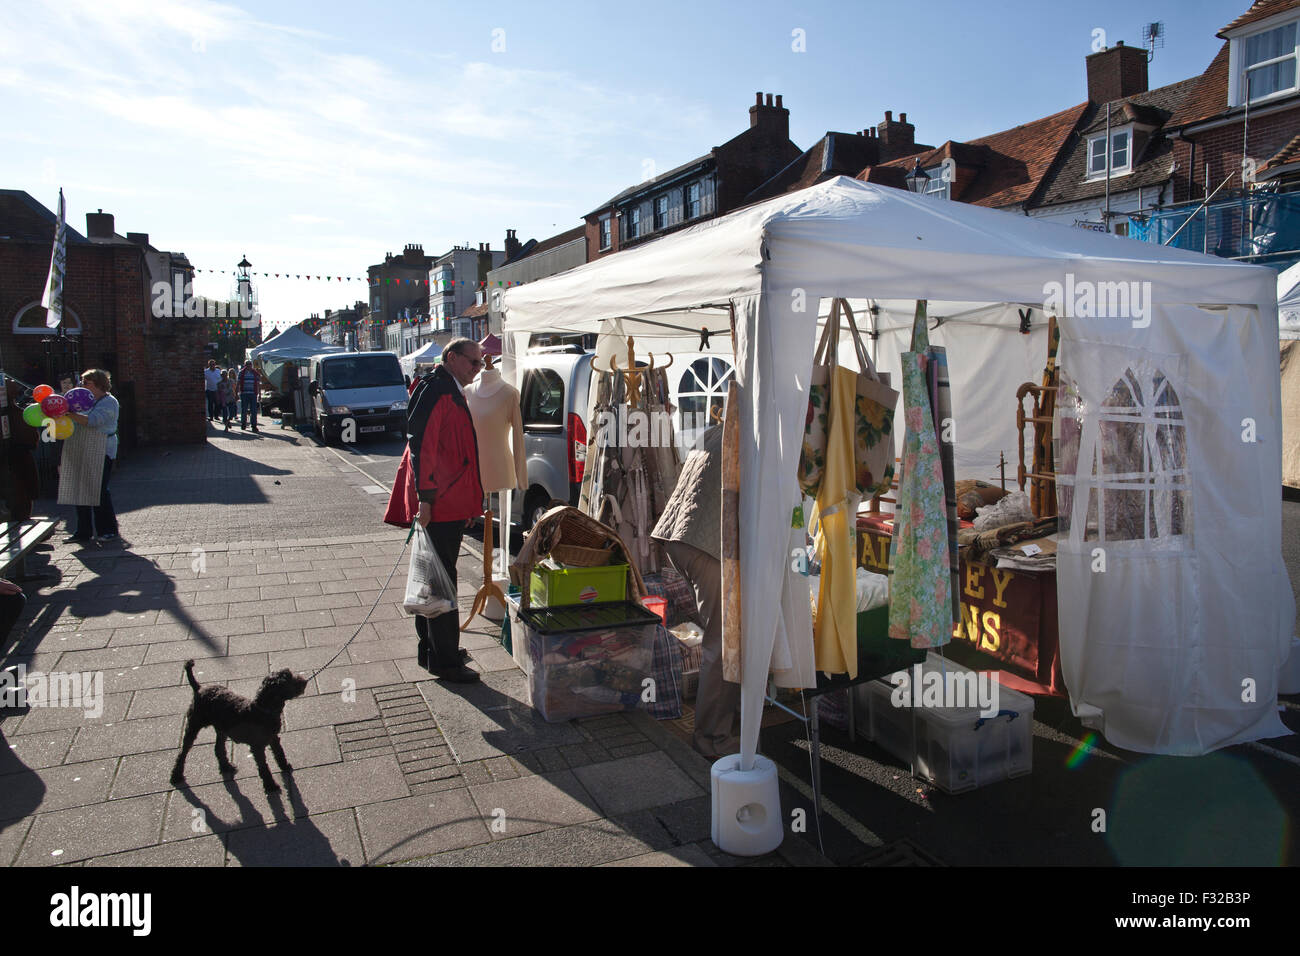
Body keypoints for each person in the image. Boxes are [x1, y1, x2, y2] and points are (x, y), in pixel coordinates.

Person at [650, 423, 740, 758]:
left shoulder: (719, 427)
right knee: (725, 641)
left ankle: (724, 718)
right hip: (706, 545)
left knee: (722, 636)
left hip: (680, 538)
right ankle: (711, 739)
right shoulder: (757, 433)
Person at [406, 337, 484, 683]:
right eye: (474, 362)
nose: (478, 369)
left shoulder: (447, 388)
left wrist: (469, 504)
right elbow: (422, 446)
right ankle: (445, 661)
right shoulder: (438, 390)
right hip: (440, 503)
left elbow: (458, 452)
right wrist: (425, 498)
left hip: (451, 502)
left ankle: (435, 651)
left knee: (435, 578)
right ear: (452, 358)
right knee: (440, 582)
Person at [63, 368, 120, 544]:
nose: (82, 385)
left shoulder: (109, 402)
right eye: (81, 382)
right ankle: (83, 532)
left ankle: (108, 530)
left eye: (86, 382)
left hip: (102, 449)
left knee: (99, 492)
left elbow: (92, 421)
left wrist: (69, 413)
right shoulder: (84, 401)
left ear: (98, 384)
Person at [237, 361, 266, 432]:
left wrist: (259, 395)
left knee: (254, 410)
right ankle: (243, 424)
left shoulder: (255, 373)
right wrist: (236, 393)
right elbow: (238, 383)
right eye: (247, 364)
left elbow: (259, 384)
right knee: (244, 410)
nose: (249, 366)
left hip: (253, 394)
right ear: (245, 365)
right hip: (244, 394)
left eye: (250, 364)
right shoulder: (241, 373)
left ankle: (254, 426)